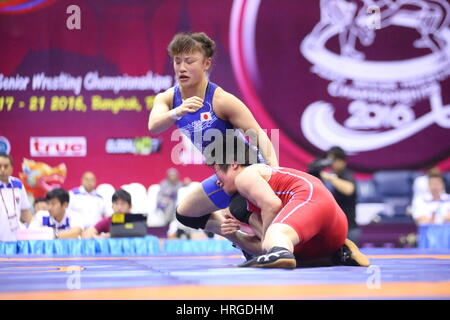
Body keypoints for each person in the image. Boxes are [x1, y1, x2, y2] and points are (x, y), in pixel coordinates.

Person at [147, 32, 278, 249]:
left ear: (206, 63)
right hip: (224, 176)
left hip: (245, 170)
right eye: (177, 61)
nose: (181, 68)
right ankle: (242, 242)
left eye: (189, 61)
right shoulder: (169, 98)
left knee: (242, 211)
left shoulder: (222, 100)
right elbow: (153, 126)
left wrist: (274, 171)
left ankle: (276, 246)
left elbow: (259, 135)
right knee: (185, 213)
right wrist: (177, 112)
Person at [210, 137, 370, 269]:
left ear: (233, 164)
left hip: (311, 198)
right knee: (290, 249)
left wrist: (268, 246)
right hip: (333, 231)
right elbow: (264, 243)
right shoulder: (256, 196)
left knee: (275, 238)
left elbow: (272, 205)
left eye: (216, 171)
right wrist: (234, 236)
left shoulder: (246, 175)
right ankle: (338, 254)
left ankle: (279, 252)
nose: (217, 181)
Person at [310, 146, 360, 245]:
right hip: (331, 227)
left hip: (349, 228)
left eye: (333, 160)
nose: (331, 163)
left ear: (341, 161)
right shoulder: (327, 175)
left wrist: (330, 177)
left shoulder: (346, 174)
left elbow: (349, 190)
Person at [0, 153, 32, 241]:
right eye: (0, 166)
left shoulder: (18, 184)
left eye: (6, 166)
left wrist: (35, 229)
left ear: (12, 168)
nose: (2, 170)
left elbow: (25, 212)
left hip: (15, 237)